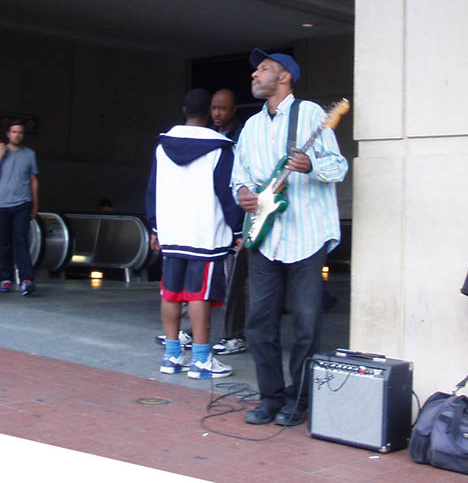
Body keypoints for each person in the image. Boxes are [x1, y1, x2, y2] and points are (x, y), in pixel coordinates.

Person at [231, 48, 349, 426]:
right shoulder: (250, 126)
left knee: (305, 324)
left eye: (262, 70)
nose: (254, 75)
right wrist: (244, 194)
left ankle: (299, 401)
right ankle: (270, 397)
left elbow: (338, 167)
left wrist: (311, 164)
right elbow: (240, 176)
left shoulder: (311, 115)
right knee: (259, 323)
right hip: (265, 236)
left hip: (306, 236)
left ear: (284, 77)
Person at [145, 88, 244, 379]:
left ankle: (172, 356)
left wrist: (156, 227)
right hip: (206, 233)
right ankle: (201, 359)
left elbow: (153, 190)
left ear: (184, 110)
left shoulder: (163, 146)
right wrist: (237, 229)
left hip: (172, 232)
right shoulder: (221, 148)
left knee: (171, 293)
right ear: (208, 113)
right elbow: (228, 195)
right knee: (199, 295)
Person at [209, 88, 247, 356]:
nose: (217, 114)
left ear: (234, 110)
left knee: (234, 280)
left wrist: (239, 225)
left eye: (222, 109)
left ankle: (233, 335)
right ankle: (190, 330)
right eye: (214, 108)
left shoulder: (245, 136)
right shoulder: (207, 137)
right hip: (210, 219)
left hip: (237, 219)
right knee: (203, 276)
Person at [0, 120, 39, 295]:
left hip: (22, 203)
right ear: (8, 134)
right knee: (3, 244)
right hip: (1, 204)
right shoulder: (1, 151)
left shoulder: (29, 154)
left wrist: (35, 205)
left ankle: (27, 279)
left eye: (20, 132)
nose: (17, 135)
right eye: (14, 132)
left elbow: (33, 181)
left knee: (21, 241)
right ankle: (5, 278)